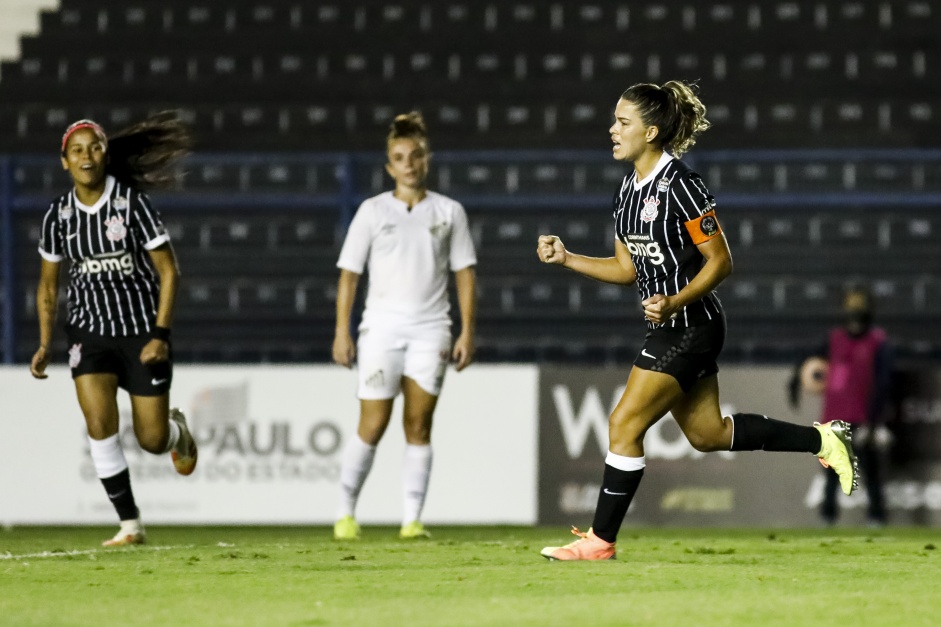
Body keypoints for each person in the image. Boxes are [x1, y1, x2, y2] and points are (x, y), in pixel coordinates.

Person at [535, 81, 859, 561]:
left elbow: (721, 261)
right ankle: (824, 438)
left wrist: (673, 300)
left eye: (622, 122)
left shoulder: (682, 186)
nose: (612, 129)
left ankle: (600, 543)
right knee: (708, 435)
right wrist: (567, 259)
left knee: (623, 423)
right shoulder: (627, 189)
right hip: (669, 326)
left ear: (652, 130)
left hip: (692, 326)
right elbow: (627, 270)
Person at [30, 113, 198, 547]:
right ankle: (130, 525)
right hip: (89, 334)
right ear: (65, 162)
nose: (87, 156)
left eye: (95, 147)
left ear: (106, 154)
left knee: (152, 440)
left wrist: (160, 335)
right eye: (77, 150)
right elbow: (49, 286)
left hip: (142, 334)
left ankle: (178, 431)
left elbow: (169, 272)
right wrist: (46, 342)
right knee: (99, 423)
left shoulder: (131, 204)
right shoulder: (58, 217)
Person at [331, 112, 478, 540]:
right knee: (373, 424)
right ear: (389, 166)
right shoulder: (372, 211)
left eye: (415, 155)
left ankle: (412, 519)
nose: (408, 163)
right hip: (380, 330)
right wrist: (343, 331)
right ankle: (345, 513)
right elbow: (349, 275)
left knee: (419, 425)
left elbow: (464, 273)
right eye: (400, 157)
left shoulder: (449, 211)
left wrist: (467, 331)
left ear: (426, 159)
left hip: (431, 329)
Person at [790, 285, 892, 526]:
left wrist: (874, 420)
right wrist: (796, 380)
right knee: (831, 472)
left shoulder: (877, 342)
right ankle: (828, 516)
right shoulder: (834, 339)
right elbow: (809, 360)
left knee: (869, 468)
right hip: (835, 416)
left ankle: (876, 515)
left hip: (862, 415)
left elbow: (884, 381)